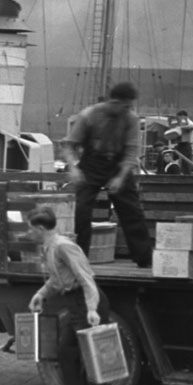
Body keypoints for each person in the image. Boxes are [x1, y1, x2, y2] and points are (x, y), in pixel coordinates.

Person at [27, 206, 111, 385]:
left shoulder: (64, 246)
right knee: (66, 352)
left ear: (41, 228)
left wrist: (92, 308)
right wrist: (41, 294)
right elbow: (57, 279)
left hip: (86, 301)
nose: (29, 234)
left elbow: (86, 278)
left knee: (93, 360)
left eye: (31, 229)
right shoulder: (50, 247)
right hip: (75, 303)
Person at [61, 82, 153, 267]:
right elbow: (70, 145)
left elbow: (130, 152)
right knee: (81, 211)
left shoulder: (130, 119)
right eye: (126, 105)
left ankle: (144, 259)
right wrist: (74, 168)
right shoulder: (89, 115)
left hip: (118, 164)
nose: (129, 109)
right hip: (92, 163)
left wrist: (120, 177)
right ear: (115, 102)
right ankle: (80, 260)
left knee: (132, 211)